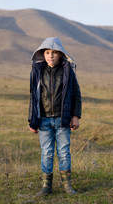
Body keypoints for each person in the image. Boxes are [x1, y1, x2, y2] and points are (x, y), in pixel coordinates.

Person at [28, 37, 82, 196]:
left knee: (64, 152)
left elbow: (76, 94)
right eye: (47, 52)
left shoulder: (67, 71)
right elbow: (34, 97)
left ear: (60, 54)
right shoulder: (37, 71)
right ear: (42, 54)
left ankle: (67, 186)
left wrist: (76, 116)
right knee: (47, 152)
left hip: (62, 120)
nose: (50, 56)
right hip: (43, 120)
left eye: (54, 53)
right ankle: (46, 186)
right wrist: (32, 120)